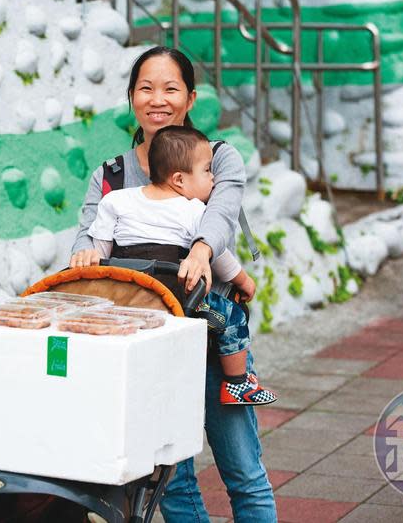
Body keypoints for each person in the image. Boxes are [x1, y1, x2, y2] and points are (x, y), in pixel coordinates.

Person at [70, 46, 277, 522]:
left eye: (170, 88)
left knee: (243, 471)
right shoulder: (112, 176)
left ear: (190, 98)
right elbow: (88, 238)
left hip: (207, 339)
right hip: (147, 348)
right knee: (173, 482)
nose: (157, 99)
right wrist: (84, 255)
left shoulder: (218, 158)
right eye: (145, 88)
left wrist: (202, 250)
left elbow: (221, 215)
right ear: (130, 98)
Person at [84, 125, 277, 406]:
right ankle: (238, 384)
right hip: (179, 300)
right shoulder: (193, 209)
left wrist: (88, 259)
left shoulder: (116, 200)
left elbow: (99, 252)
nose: (213, 178)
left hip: (128, 298)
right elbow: (217, 255)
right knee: (232, 318)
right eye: (207, 171)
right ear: (179, 180)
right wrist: (244, 282)